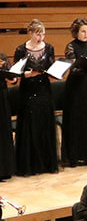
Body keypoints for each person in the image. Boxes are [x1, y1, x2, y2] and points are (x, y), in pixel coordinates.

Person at [14, 19, 59, 176]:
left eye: (43, 34)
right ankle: (30, 165)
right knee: (29, 126)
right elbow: (16, 73)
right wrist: (29, 73)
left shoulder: (49, 48)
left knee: (44, 125)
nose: (41, 37)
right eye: (38, 34)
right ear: (31, 33)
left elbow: (51, 68)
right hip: (28, 91)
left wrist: (55, 73)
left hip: (44, 90)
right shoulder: (21, 50)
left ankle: (47, 164)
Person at [61, 18, 87, 167]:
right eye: (83, 31)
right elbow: (72, 67)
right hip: (74, 86)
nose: (86, 34)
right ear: (76, 32)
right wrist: (84, 68)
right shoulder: (71, 46)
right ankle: (73, 157)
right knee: (75, 120)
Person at [0, 51, 15, 181]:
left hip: (2, 99)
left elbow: (13, 78)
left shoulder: (3, 57)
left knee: (3, 133)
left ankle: (5, 170)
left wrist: (12, 78)